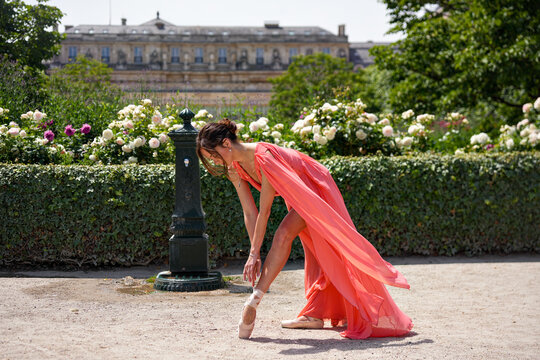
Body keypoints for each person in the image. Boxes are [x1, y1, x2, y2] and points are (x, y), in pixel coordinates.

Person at [196, 119, 413, 340]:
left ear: (226, 143)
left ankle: (253, 301)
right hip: (298, 192)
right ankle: (316, 313)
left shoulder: (264, 157)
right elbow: (250, 213)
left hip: (315, 187)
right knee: (318, 253)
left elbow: (265, 210)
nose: (213, 160)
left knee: (284, 235)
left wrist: (253, 253)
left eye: (212, 154)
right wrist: (256, 253)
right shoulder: (237, 166)